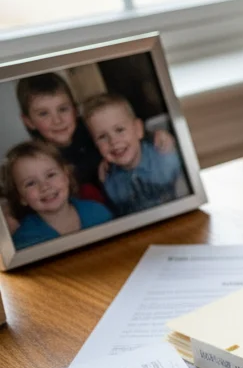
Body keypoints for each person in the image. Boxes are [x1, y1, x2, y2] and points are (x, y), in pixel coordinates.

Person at [82, 93, 184, 216]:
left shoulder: (165, 157)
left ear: (138, 129)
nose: (113, 141)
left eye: (119, 130)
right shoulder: (109, 181)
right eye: (102, 137)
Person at [15, 73, 107, 206]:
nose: (57, 120)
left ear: (75, 110)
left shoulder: (93, 129)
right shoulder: (38, 159)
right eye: (43, 114)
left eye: (63, 109)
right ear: (29, 121)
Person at [3, 141, 113, 250]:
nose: (44, 187)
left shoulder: (98, 212)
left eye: (50, 175)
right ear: (21, 197)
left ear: (66, 176)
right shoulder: (24, 241)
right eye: (30, 183)